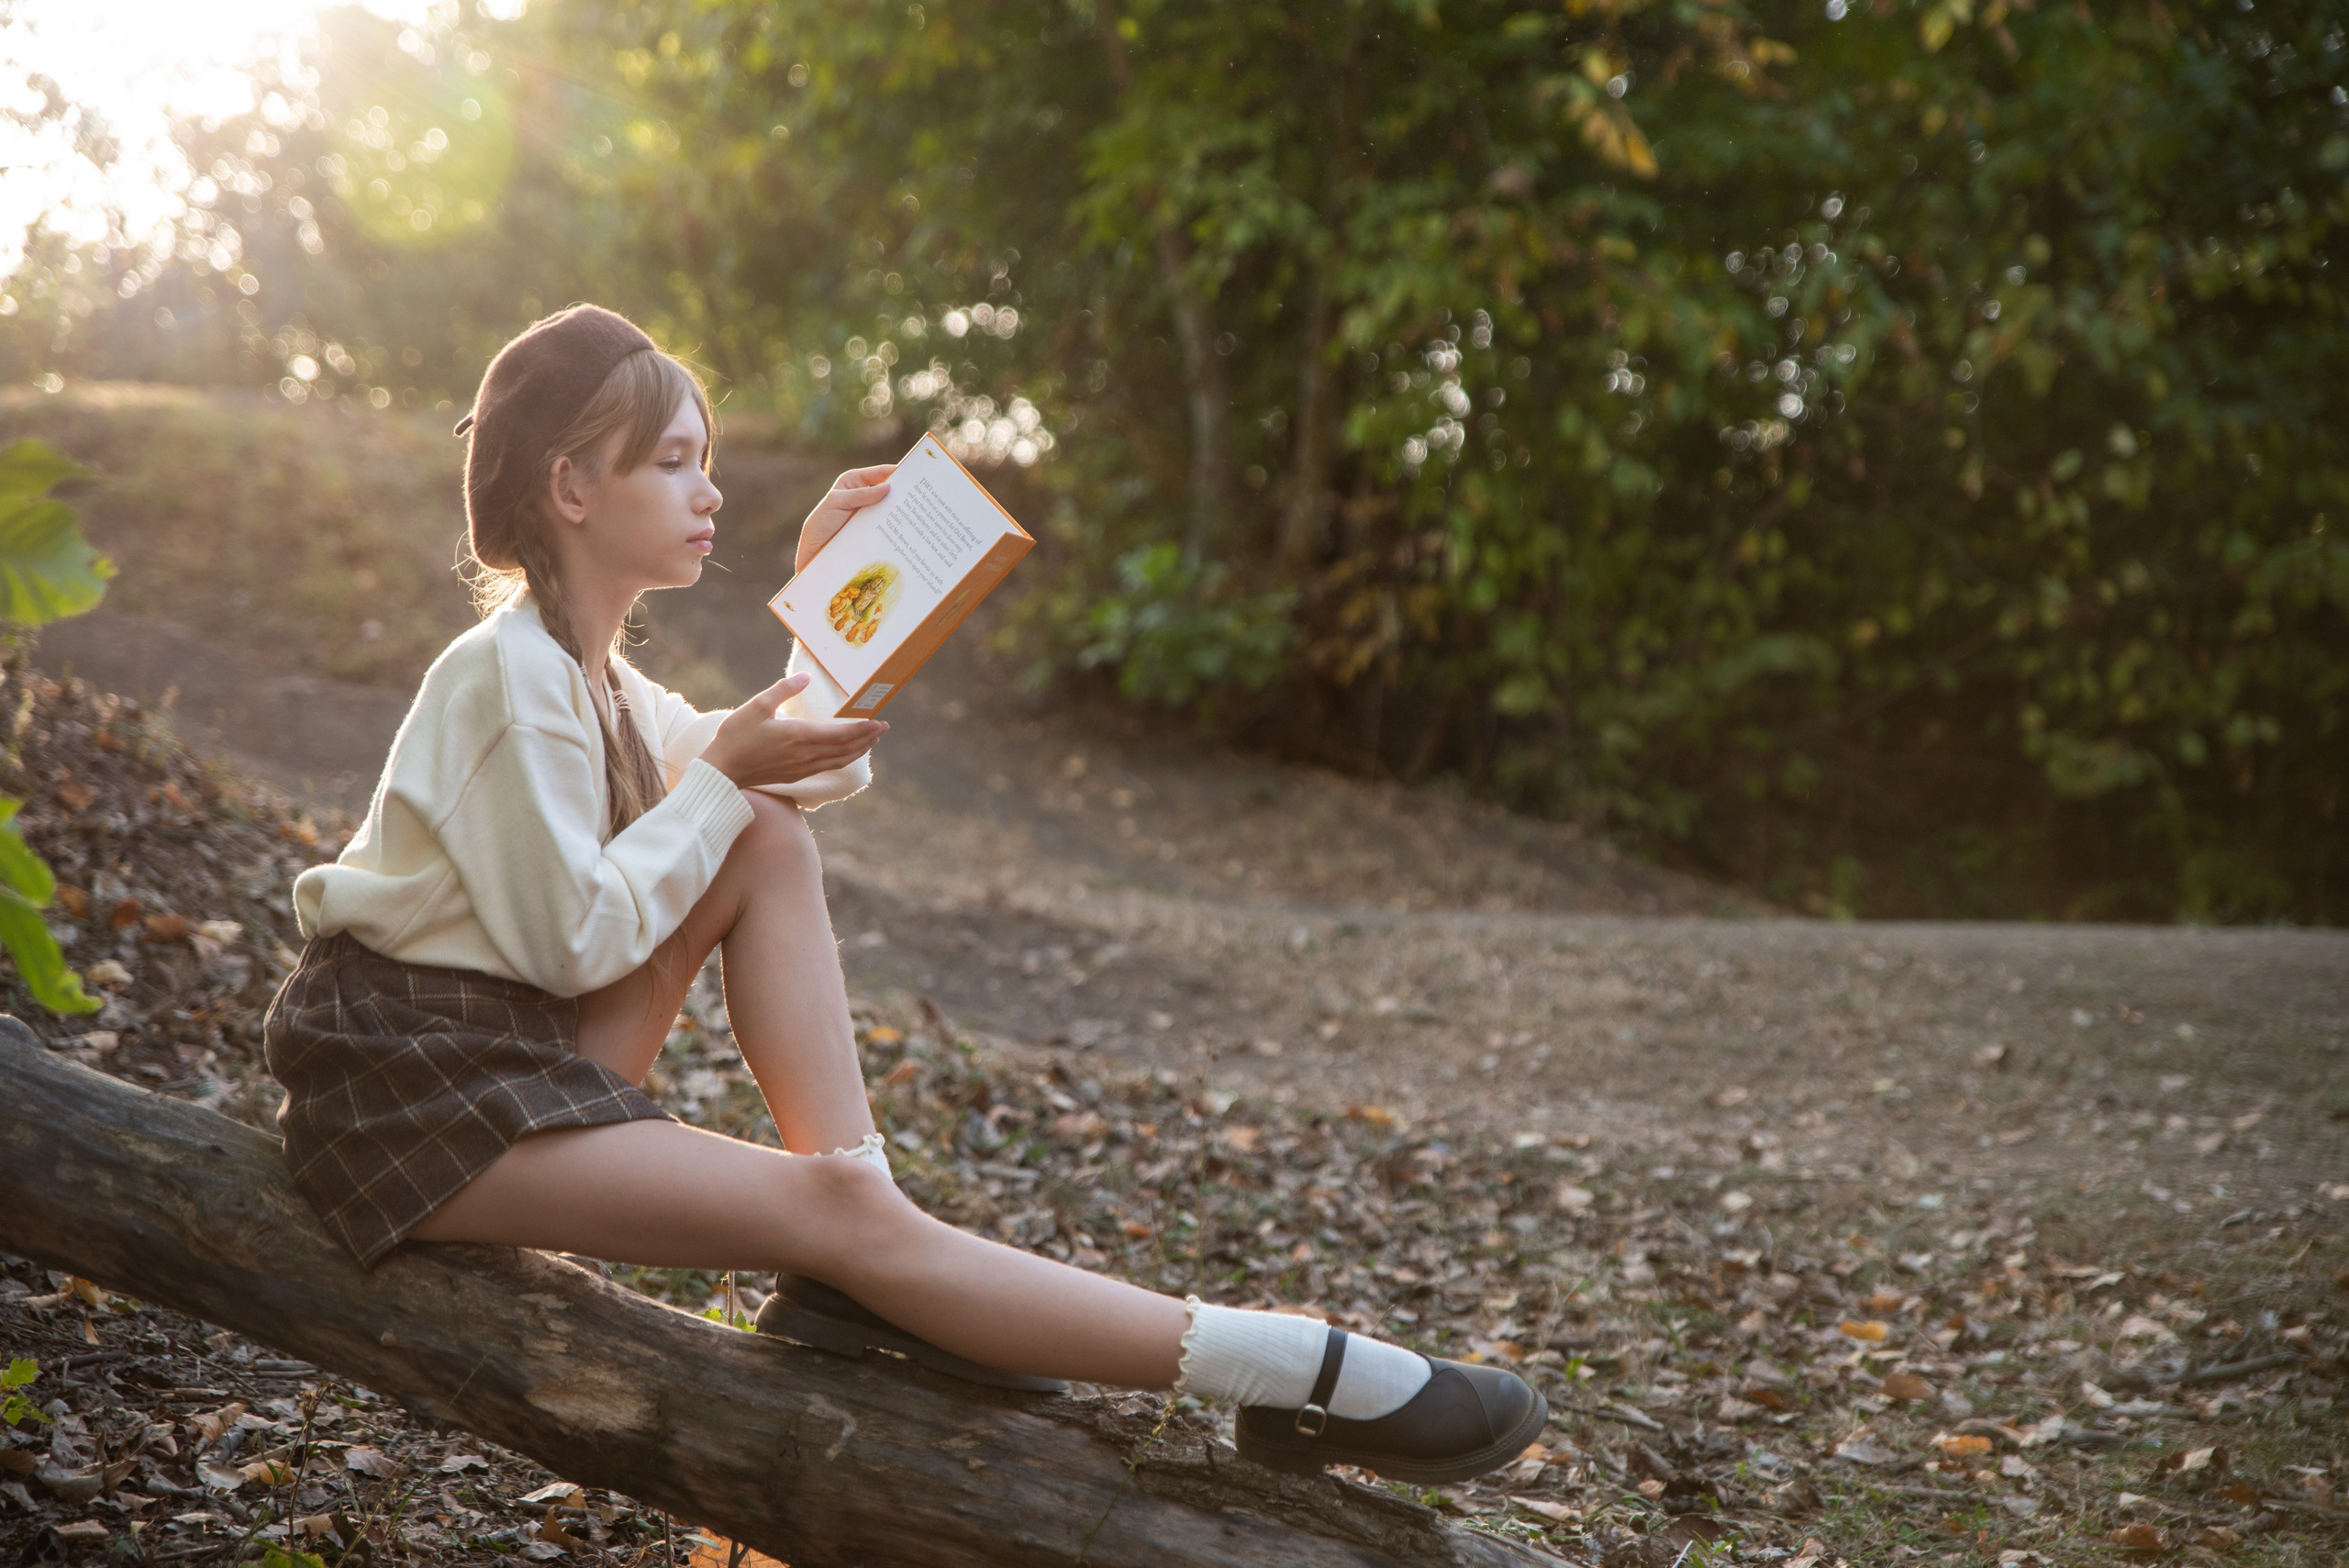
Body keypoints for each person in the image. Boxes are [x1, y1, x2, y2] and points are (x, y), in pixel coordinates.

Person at [262, 304, 1544, 1484]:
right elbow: (575, 936)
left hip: (516, 1059)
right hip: (410, 1100)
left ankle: (859, 1231)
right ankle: (1288, 1361)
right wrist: (722, 781)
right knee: (741, 831)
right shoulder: (506, 676)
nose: (711, 490)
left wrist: (832, 618)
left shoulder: (594, 678)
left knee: (761, 829)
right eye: (673, 461)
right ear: (570, 485)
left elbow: (786, 766)